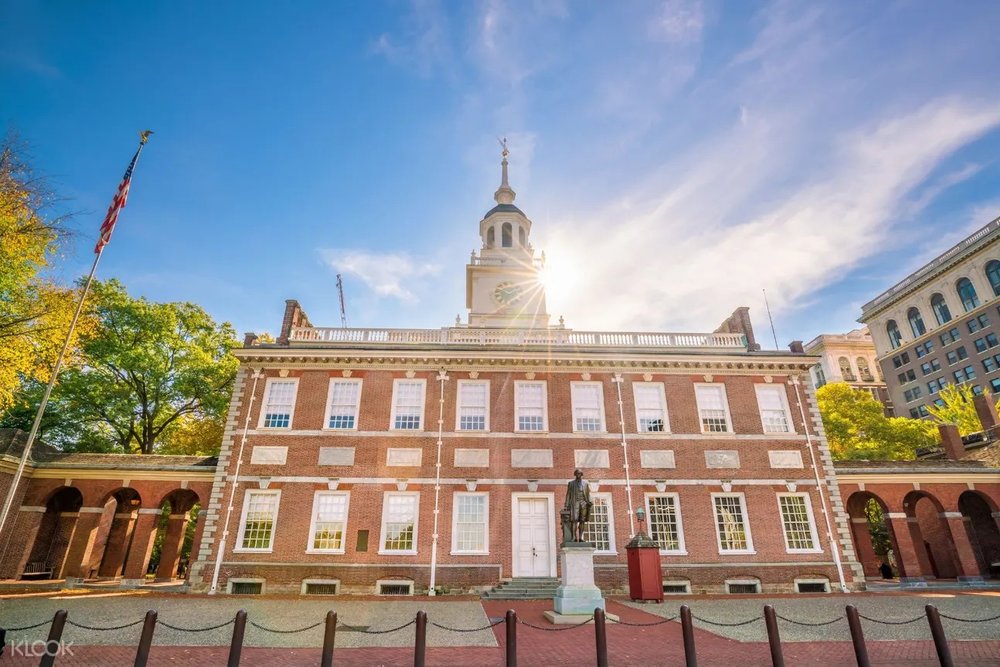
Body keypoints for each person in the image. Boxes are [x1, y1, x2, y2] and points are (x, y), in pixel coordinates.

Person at [562, 468, 592, 543]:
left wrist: (589, 501)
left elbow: (588, 494)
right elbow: (568, 495)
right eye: (577, 474)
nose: (579, 475)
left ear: (582, 475)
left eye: (580, 474)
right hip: (575, 503)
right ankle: (574, 537)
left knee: (582, 520)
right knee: (574, 520)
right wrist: (566, 505)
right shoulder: (571, 483)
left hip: (583, 503)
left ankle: (581, 537)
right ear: (575, 474)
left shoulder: (585, 484)